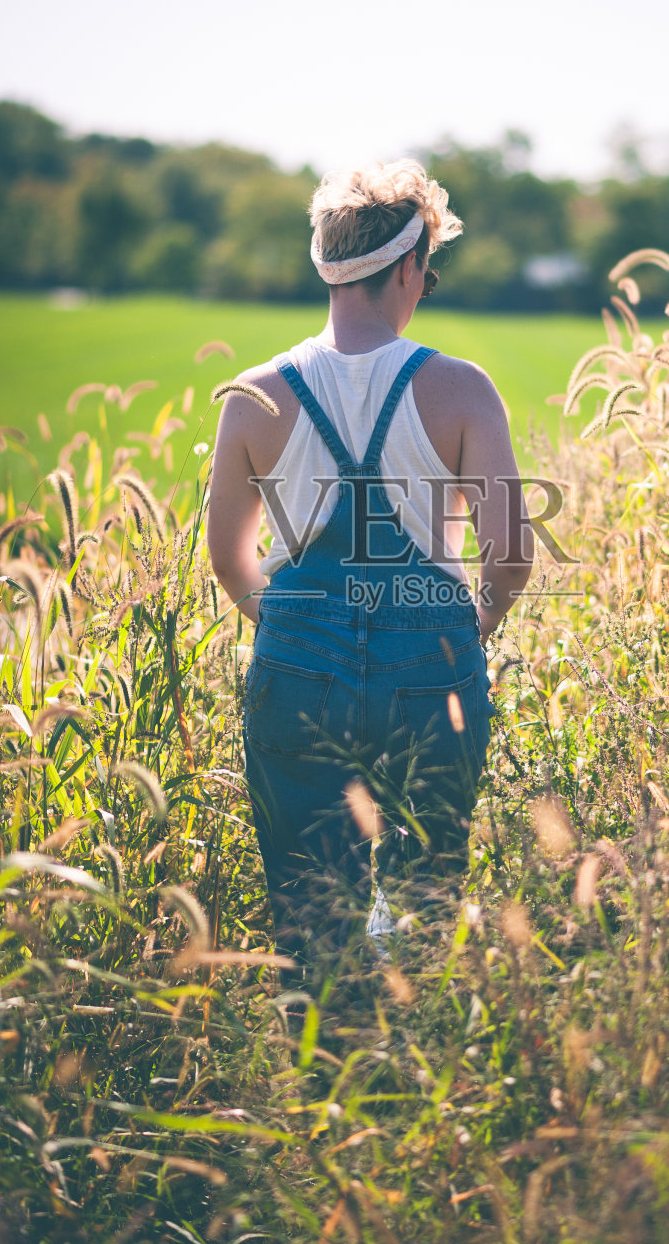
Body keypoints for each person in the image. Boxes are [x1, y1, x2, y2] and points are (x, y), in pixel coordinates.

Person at [207, 160, 532, 965]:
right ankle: (407, 1075)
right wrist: (471, 623)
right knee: (423, 904)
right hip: (432, 667)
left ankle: (325, 1077)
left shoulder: (254, 395)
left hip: (295, 669)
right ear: (411, 268)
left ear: (327, 266)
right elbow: (513, 552)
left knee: (311, 917)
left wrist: (291, 623)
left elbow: (227, 557)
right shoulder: (459, 389)